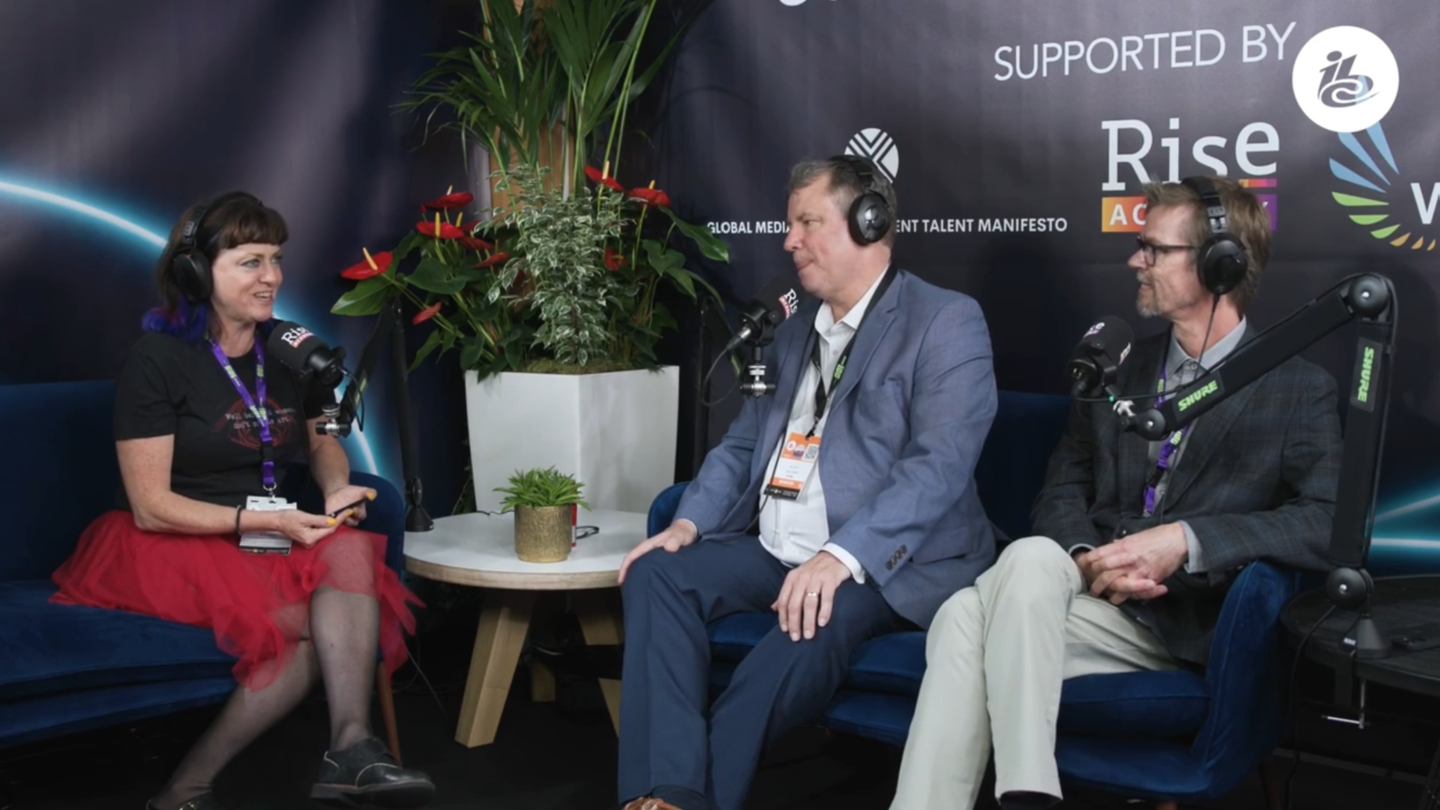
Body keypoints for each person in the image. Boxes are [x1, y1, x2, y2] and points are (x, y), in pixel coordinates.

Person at [888, 176, 1343, 810]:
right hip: (1076, 595)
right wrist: (1084, 559)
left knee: (965, 616)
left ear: (1221, 265)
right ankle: (1028, 791)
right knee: (1029, 556)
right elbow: (1062, 487)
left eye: (1154, 249)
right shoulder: (1116, 368)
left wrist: (1185, 541)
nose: (1136, 260)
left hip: (1178, 625)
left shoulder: (1297, 388)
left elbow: (1326, 521)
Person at [615, 156, 999, 810]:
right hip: (775, 549)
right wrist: (687, 523)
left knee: (814, 612)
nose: (789, 240)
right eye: (789, 224)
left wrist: (840, 556)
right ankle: (668, 785)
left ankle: (686, 800)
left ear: (868, 223)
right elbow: (743, 444)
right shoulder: (792, 331)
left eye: (807, 223)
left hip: (885, 564)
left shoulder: (944, 321)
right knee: (657, 573)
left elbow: (938, 466)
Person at [49, 192, 435, 810]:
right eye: (251, 261)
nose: (272, 277)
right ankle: (184, 790)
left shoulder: (290, 349)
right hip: (175, 539)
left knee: (353, 551)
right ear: (196, 273)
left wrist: (336, 487)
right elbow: (150, 505)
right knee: (323, 626)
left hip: (267, 533)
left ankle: (351, 748)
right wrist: (263, 520)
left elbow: (324, 440)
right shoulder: (157, 360)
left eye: (276, 259)